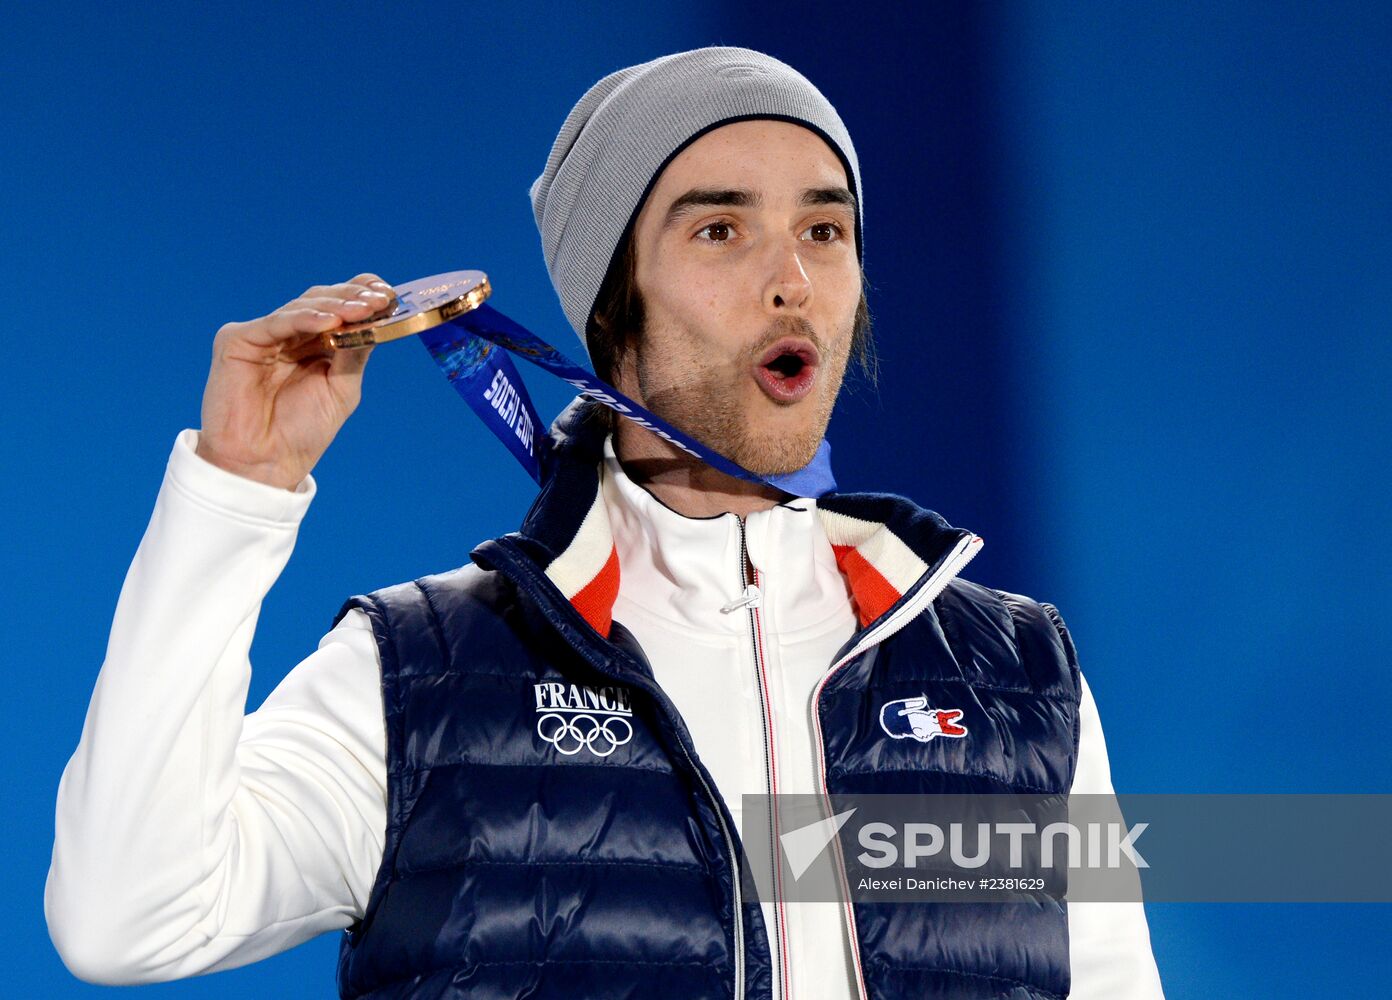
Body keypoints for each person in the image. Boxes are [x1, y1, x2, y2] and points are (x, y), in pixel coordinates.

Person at [45, 46, 1165, 999]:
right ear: (610, 300)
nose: (791, 278)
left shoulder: (1013, 673)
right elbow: (127, 916)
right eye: (721, 231)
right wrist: (236, 491)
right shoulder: (421, 679)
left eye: (825, 232)